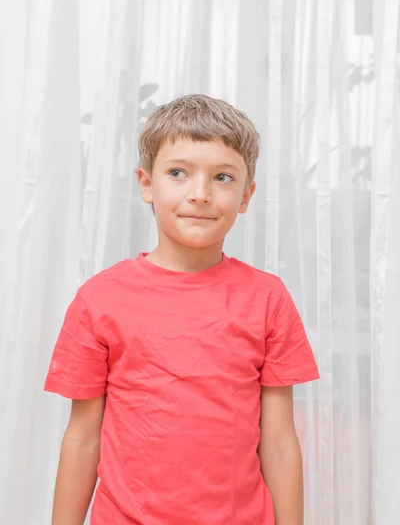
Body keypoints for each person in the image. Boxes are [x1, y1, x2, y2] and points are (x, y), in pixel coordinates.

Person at [44, 94, 319, 525]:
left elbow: (280, 441)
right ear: (146, 183)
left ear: (246, 196)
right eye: (178, 173)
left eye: (223, 178)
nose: (200, 194)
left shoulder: (269, 298)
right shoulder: (99, 299)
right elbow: (82, 439)